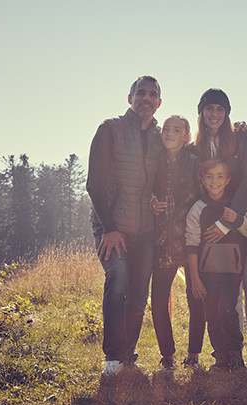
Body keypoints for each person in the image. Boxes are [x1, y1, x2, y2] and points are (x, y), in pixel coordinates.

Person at [193, 88, 247, 368]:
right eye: (209, 109)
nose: (214, 114)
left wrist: (226, 222)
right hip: (219, 227)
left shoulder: (242, 137)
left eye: (220, 109)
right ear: (201, 113)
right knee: (230, 288)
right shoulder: (197, 145)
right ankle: (234, 352)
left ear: (228, 113)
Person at [86, 75, 163, 376]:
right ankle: (113, 357)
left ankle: (128, 353)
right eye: (140, 93)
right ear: (129, 98)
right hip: (112, 226)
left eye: (152, 94)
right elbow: (94, 185)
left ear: (159, 102)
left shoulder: (158, 138)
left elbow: (159, 181)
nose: (146, 99)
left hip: (145, 230)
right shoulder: (110, 130)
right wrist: (109, 228)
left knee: (139, 293)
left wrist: (157, 199)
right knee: (117, 279)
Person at [186, 158, 247, 371]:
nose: (214, 181)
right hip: (206, 273)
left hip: (231, 272)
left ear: (227, 179)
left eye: (219, 176)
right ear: (202, 179)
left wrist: (237, 220)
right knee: (212, 314)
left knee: (227, 309)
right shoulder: (198, 209)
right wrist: (195, 280)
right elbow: (191, 244)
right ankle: (220, 358)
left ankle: (235, 357)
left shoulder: (237, 205)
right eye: (209, 176)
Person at [149, 115, 205, 372]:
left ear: (186, 136)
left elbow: (205, 197)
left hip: (191, 238)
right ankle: (167, 356)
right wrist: (150, 199)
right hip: (163, 241)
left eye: (177, 130)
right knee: (159, 299)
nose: (169, 133)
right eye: (166, 129)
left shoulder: (194, 163)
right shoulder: (155, 161)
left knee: (196, 296)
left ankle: (193, 355)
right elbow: (144, 187)